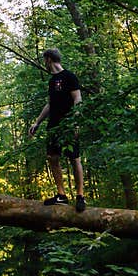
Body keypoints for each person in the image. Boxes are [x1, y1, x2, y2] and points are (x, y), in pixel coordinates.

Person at [29, 48, 86, 212]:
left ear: (48, 59)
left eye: (44, 60)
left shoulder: (69, 76)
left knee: (74, 158)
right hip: (53, 126)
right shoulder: (52, 81)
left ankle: (80, 195)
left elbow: (77, 99)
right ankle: (61, 195)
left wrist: (75, 122)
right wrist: (37, 122)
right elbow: (50, 104)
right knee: (52, 157)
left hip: (68, 125)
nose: (44, 64)